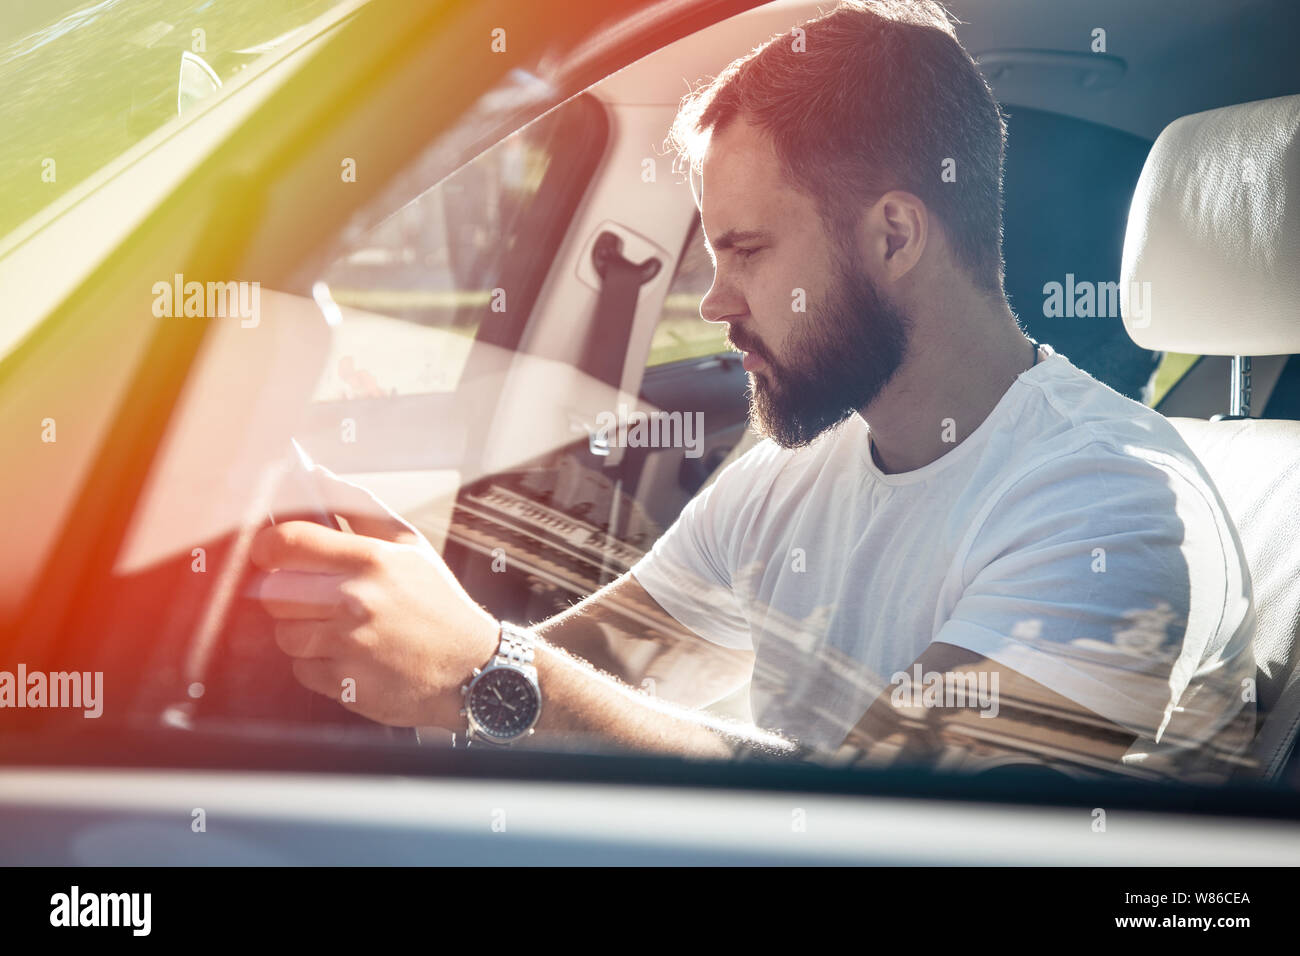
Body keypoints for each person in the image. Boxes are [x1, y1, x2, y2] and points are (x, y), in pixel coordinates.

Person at [251, 0, 1256, 782]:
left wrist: (487, 674)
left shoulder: (1111, 512)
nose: (713, 297)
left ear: (894, 237)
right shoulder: (800, 457)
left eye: (746, 250)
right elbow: (613, 656)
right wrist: (400, 619)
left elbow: (887, 829)